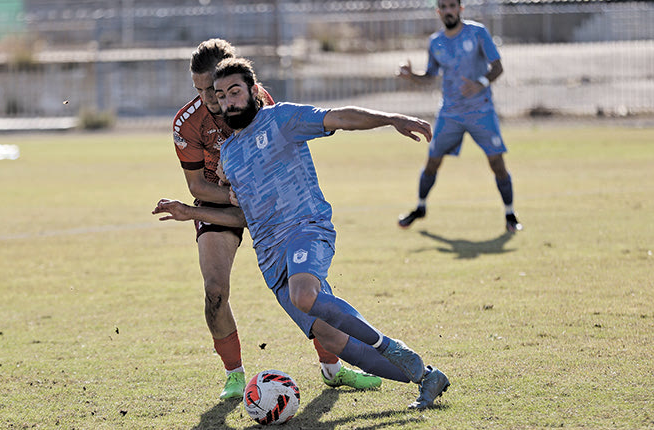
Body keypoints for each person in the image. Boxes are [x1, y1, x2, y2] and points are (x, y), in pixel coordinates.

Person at [154, 57, 450, 409]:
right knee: (334, 339)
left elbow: (339, 117)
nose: (227, 101)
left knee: (305, 295)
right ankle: (426, 377)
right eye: (220, 95)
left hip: (305, 229)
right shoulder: (229, 157)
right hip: (271, 259)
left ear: (252, 90)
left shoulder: (282, 120)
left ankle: (398, 350)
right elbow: (246, 216)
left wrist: (391, 118)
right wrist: (190, 212)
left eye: (234, 91)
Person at [170, 39, 380, 400]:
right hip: (219, 205)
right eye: (199, 89)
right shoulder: (187, 123)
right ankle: (234, 376)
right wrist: (235, 195)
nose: (206, 97)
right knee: (215, 290)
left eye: (212, 88)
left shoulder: (256, 99)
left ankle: (333, 370)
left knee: (306, 286)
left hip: (271, 207)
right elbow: (196, 185)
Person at [396, 0, 522, 233]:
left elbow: (498, 67)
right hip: (450, 113)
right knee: (433, 161)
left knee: (497, 163)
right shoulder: (436, 42)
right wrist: (412, 75)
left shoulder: (477, 32)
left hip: (481, 111)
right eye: (443, 7)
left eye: (452, 6)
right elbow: (431, 75)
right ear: (438, 12)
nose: (448, 10)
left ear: (460, 9)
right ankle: (420, 207)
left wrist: (480, 83)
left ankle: (510, 214)